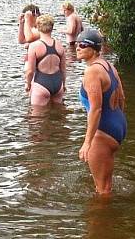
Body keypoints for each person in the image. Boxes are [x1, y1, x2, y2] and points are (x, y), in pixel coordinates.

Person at [76, 29, 127, 195]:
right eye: (77, 44)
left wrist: (87, 142)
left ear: (94, 49)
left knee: (102, 191)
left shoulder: (91, 72)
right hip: (117, 125)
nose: (78, 47)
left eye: (83, 45)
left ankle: (102, 220)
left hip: (103, 131)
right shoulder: (108, 65)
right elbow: (122, 98)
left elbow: (96, 109)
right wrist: (117, 125)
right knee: (107, 186)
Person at [25, 14, 66, 106]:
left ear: (38, 27)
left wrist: (28, 84)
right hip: (58, 83)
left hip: (41, 83)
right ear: (52, 27)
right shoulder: (60, 45)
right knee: (58, 115)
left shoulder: (34, 46)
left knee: (36, 118)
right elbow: (63, 70)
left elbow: (30, 71)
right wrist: (64, 84)